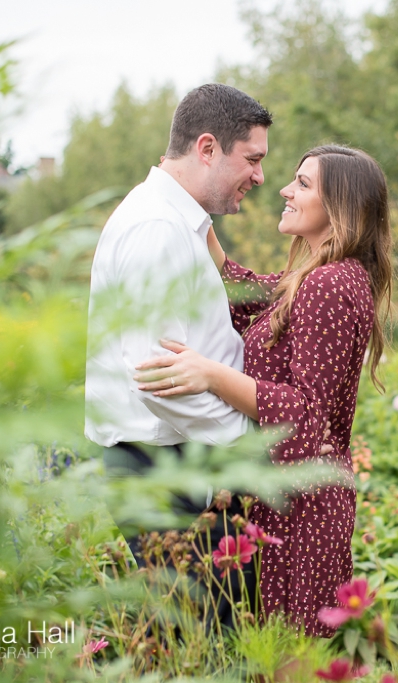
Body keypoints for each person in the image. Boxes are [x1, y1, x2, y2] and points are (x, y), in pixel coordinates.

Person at [133, 145, 393, 637]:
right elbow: (254, 298)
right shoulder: (318, 277)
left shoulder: (330, 284)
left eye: (303, 184)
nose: (284, 190)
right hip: (297, 498)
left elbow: (307, 414)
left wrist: (211, 375)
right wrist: (201, 231)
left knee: (287, 660)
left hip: (303, 510)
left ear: (341, 205)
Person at [84, 83, 272, 623]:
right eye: (253, 159)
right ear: (207, 148)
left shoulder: (178, 224)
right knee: (207, 646)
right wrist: (241, 445)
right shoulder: (157, 229)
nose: (260, 177)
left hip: (177, 457)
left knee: (210, 639)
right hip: (163, 466)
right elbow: (156, 372)